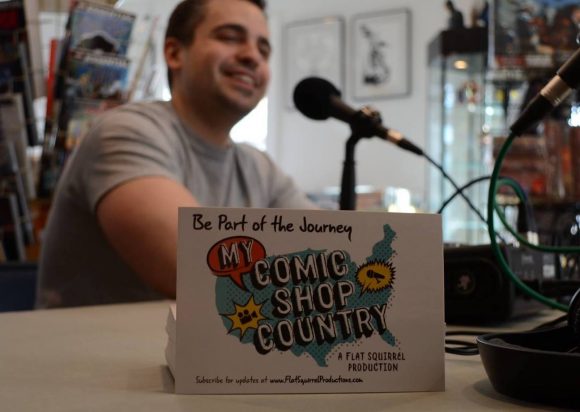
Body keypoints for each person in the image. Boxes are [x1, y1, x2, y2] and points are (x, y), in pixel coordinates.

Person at [36, 0, 317, 308]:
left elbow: (334, 258)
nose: (252, 56)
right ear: (174, 53)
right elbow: (203, 273)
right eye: (229, 37)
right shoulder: (127, 132)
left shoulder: (259, 167)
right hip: (101, 342)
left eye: (263, 50)